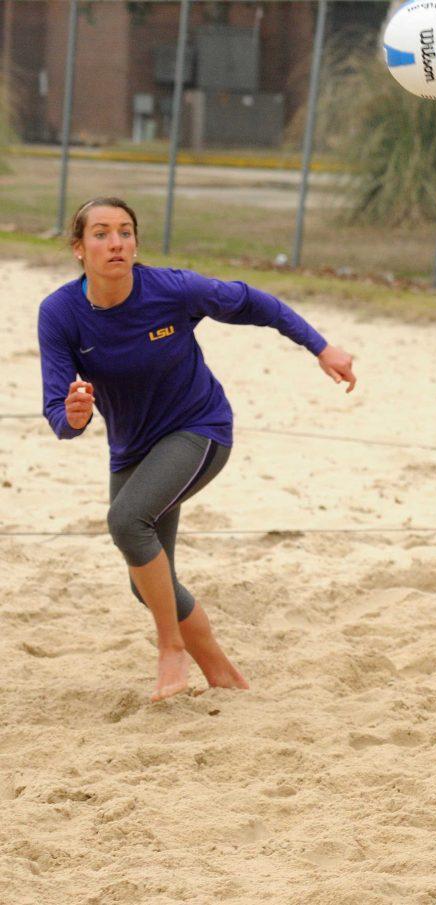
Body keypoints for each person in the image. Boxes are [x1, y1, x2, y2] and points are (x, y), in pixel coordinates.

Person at [38, 197, 357, 702]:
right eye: (100, 233)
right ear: (79, 249)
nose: (115, 242)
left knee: (125, 522)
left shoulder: (171, 289)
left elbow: (257, 303)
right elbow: (58, 413)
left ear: (136, 243)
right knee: (146, 581)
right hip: (131, 448)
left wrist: (322, 347)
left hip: (199, 428)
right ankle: (222, 672)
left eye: (125, 231)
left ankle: (171, 650)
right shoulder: (59, 313)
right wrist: (72, 415)